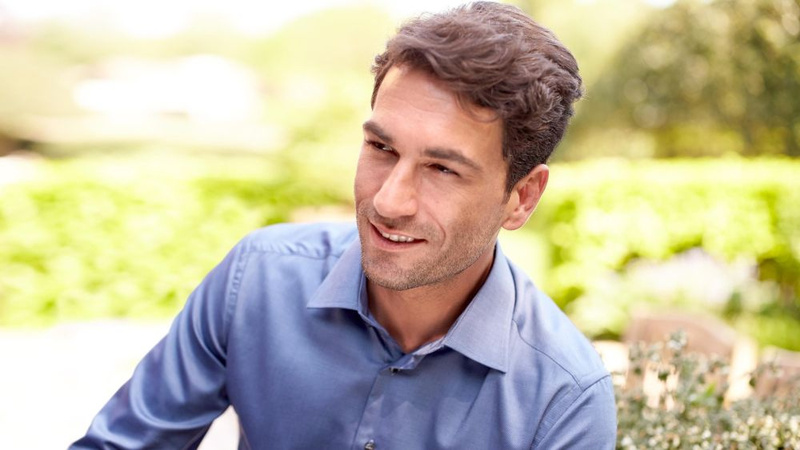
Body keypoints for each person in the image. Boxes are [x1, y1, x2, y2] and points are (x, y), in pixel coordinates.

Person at [72, 2, 616, 449]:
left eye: (442, 169)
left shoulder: (562, 400)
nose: (389, 200)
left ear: (521, 198)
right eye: (381, 147)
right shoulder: (256, 280)